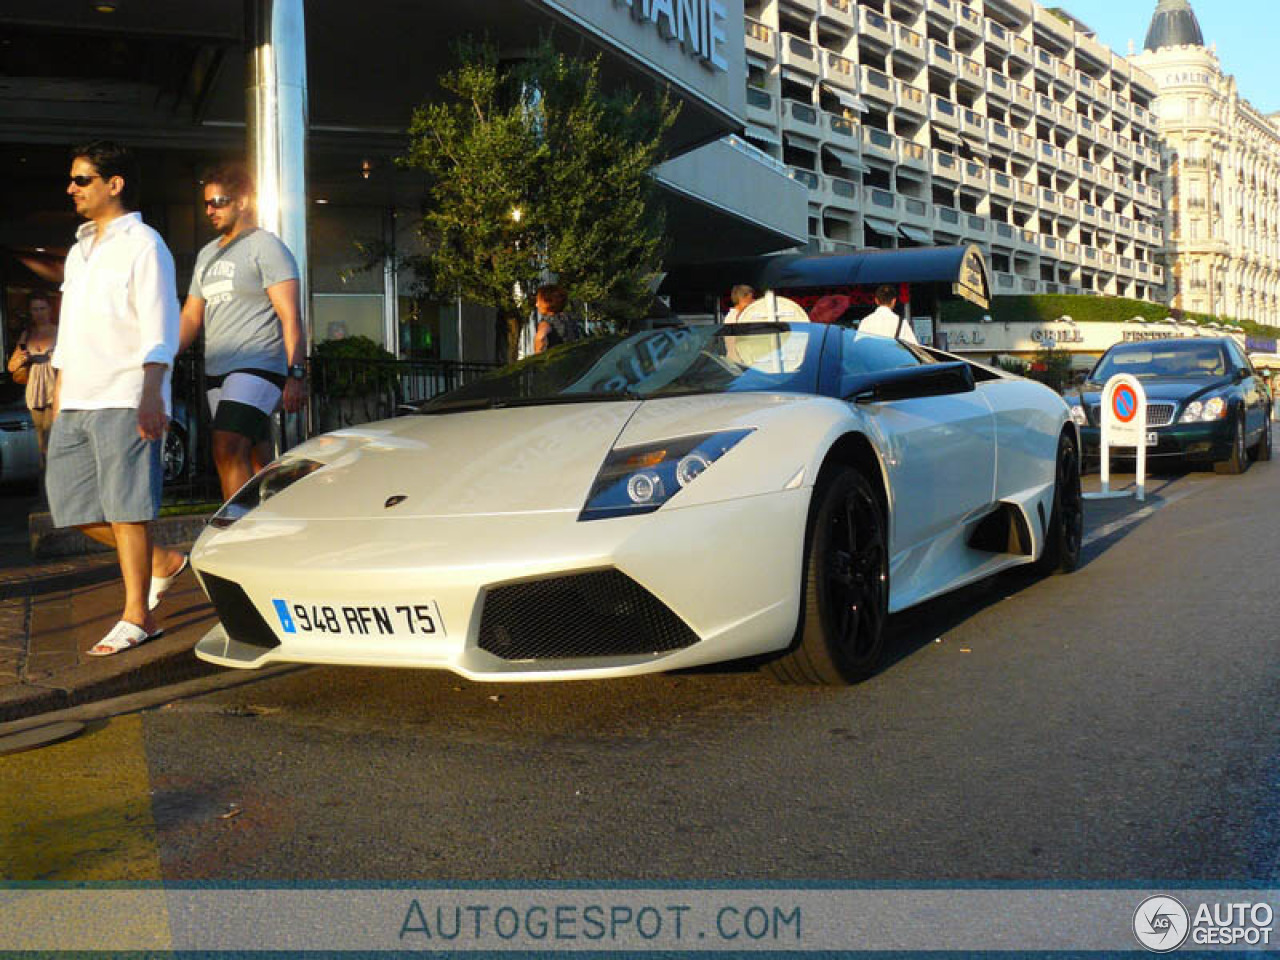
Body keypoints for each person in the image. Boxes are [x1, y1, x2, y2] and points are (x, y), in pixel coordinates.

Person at [47, 140, 187, 656]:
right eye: (72, 180)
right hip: (78, 397)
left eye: (82, 179)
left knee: (128, 508)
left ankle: (139, 615)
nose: (72, 189)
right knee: (71, 505)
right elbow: (69, 331)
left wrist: (152, 391)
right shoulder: (79, 250)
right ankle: (163, 562)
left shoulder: (144, 244)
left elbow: (159, 323)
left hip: (126, 393)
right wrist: (60, 394)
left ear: (115, 183)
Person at [179, 162, 306, 500]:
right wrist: (159, 357)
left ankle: (234, 532)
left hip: (257, 363)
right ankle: (273, 525)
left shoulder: (265, 246)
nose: (210, 210)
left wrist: (296, 373)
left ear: (243, 201)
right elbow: (192, 315)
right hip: (217, 369)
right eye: (206, 203)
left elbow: (291, 315)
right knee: (255, 457)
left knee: (226, 445)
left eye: (218, 201)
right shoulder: (208, 253)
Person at [7, 293, 59, 465]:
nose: (39, 313)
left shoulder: (59, 331)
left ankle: (51, 476)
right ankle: (43, 478)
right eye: (35, 309)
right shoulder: (27, 334)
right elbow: (12, 367)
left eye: (42, 308)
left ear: (50, 309)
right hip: (35, 390)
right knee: (40, 438)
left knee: (50, 434)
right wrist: (22, 358)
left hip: (55, 386)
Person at [532, 284, 579, 353]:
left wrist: (538, 357)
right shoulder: (568, 318)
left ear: (548, 302)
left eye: (538, 301)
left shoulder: (546, 322)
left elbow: (540, 337)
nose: (536, 305)